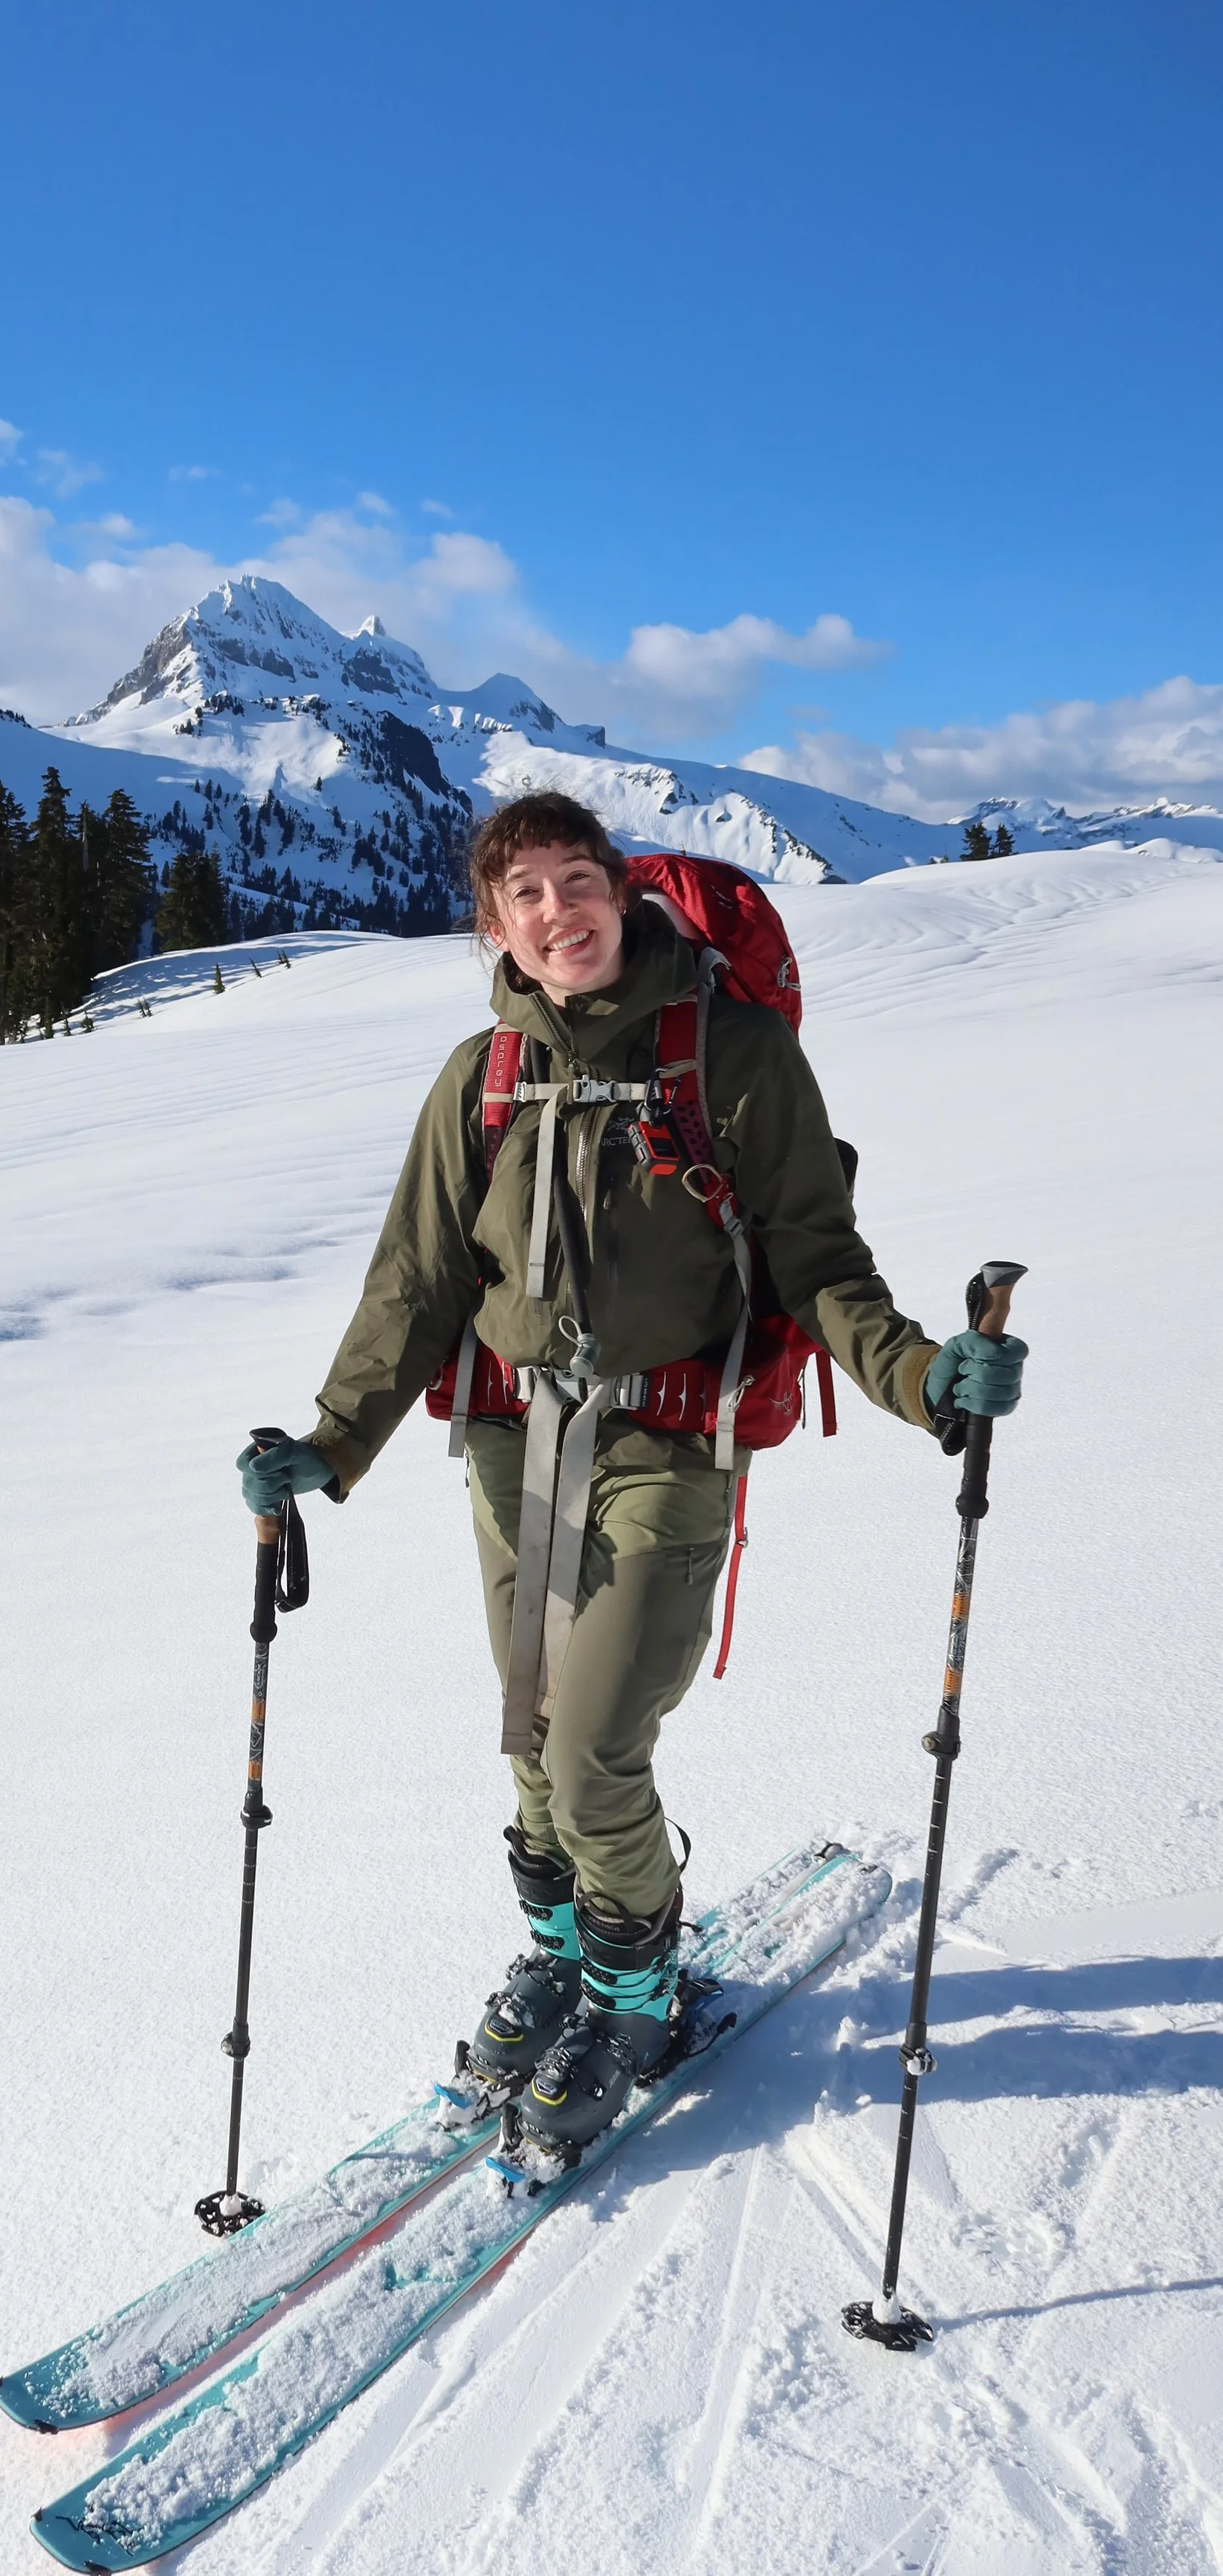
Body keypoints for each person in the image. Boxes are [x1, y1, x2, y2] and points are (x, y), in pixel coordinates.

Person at [237, 792, 1026, 2167]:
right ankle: (564, 1959)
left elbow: (818, 1263)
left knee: (597, 1751)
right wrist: (330, 1441)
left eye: (576, 881)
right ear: (495, 927)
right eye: (524, 895)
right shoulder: (479, 1077)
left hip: (668, 1442)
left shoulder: (736, 1054)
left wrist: (919, 1376)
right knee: (532, 1745)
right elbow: (416, 1284)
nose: (558, 913)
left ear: (623, 891)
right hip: (506, 1441)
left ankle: (639, 1994)